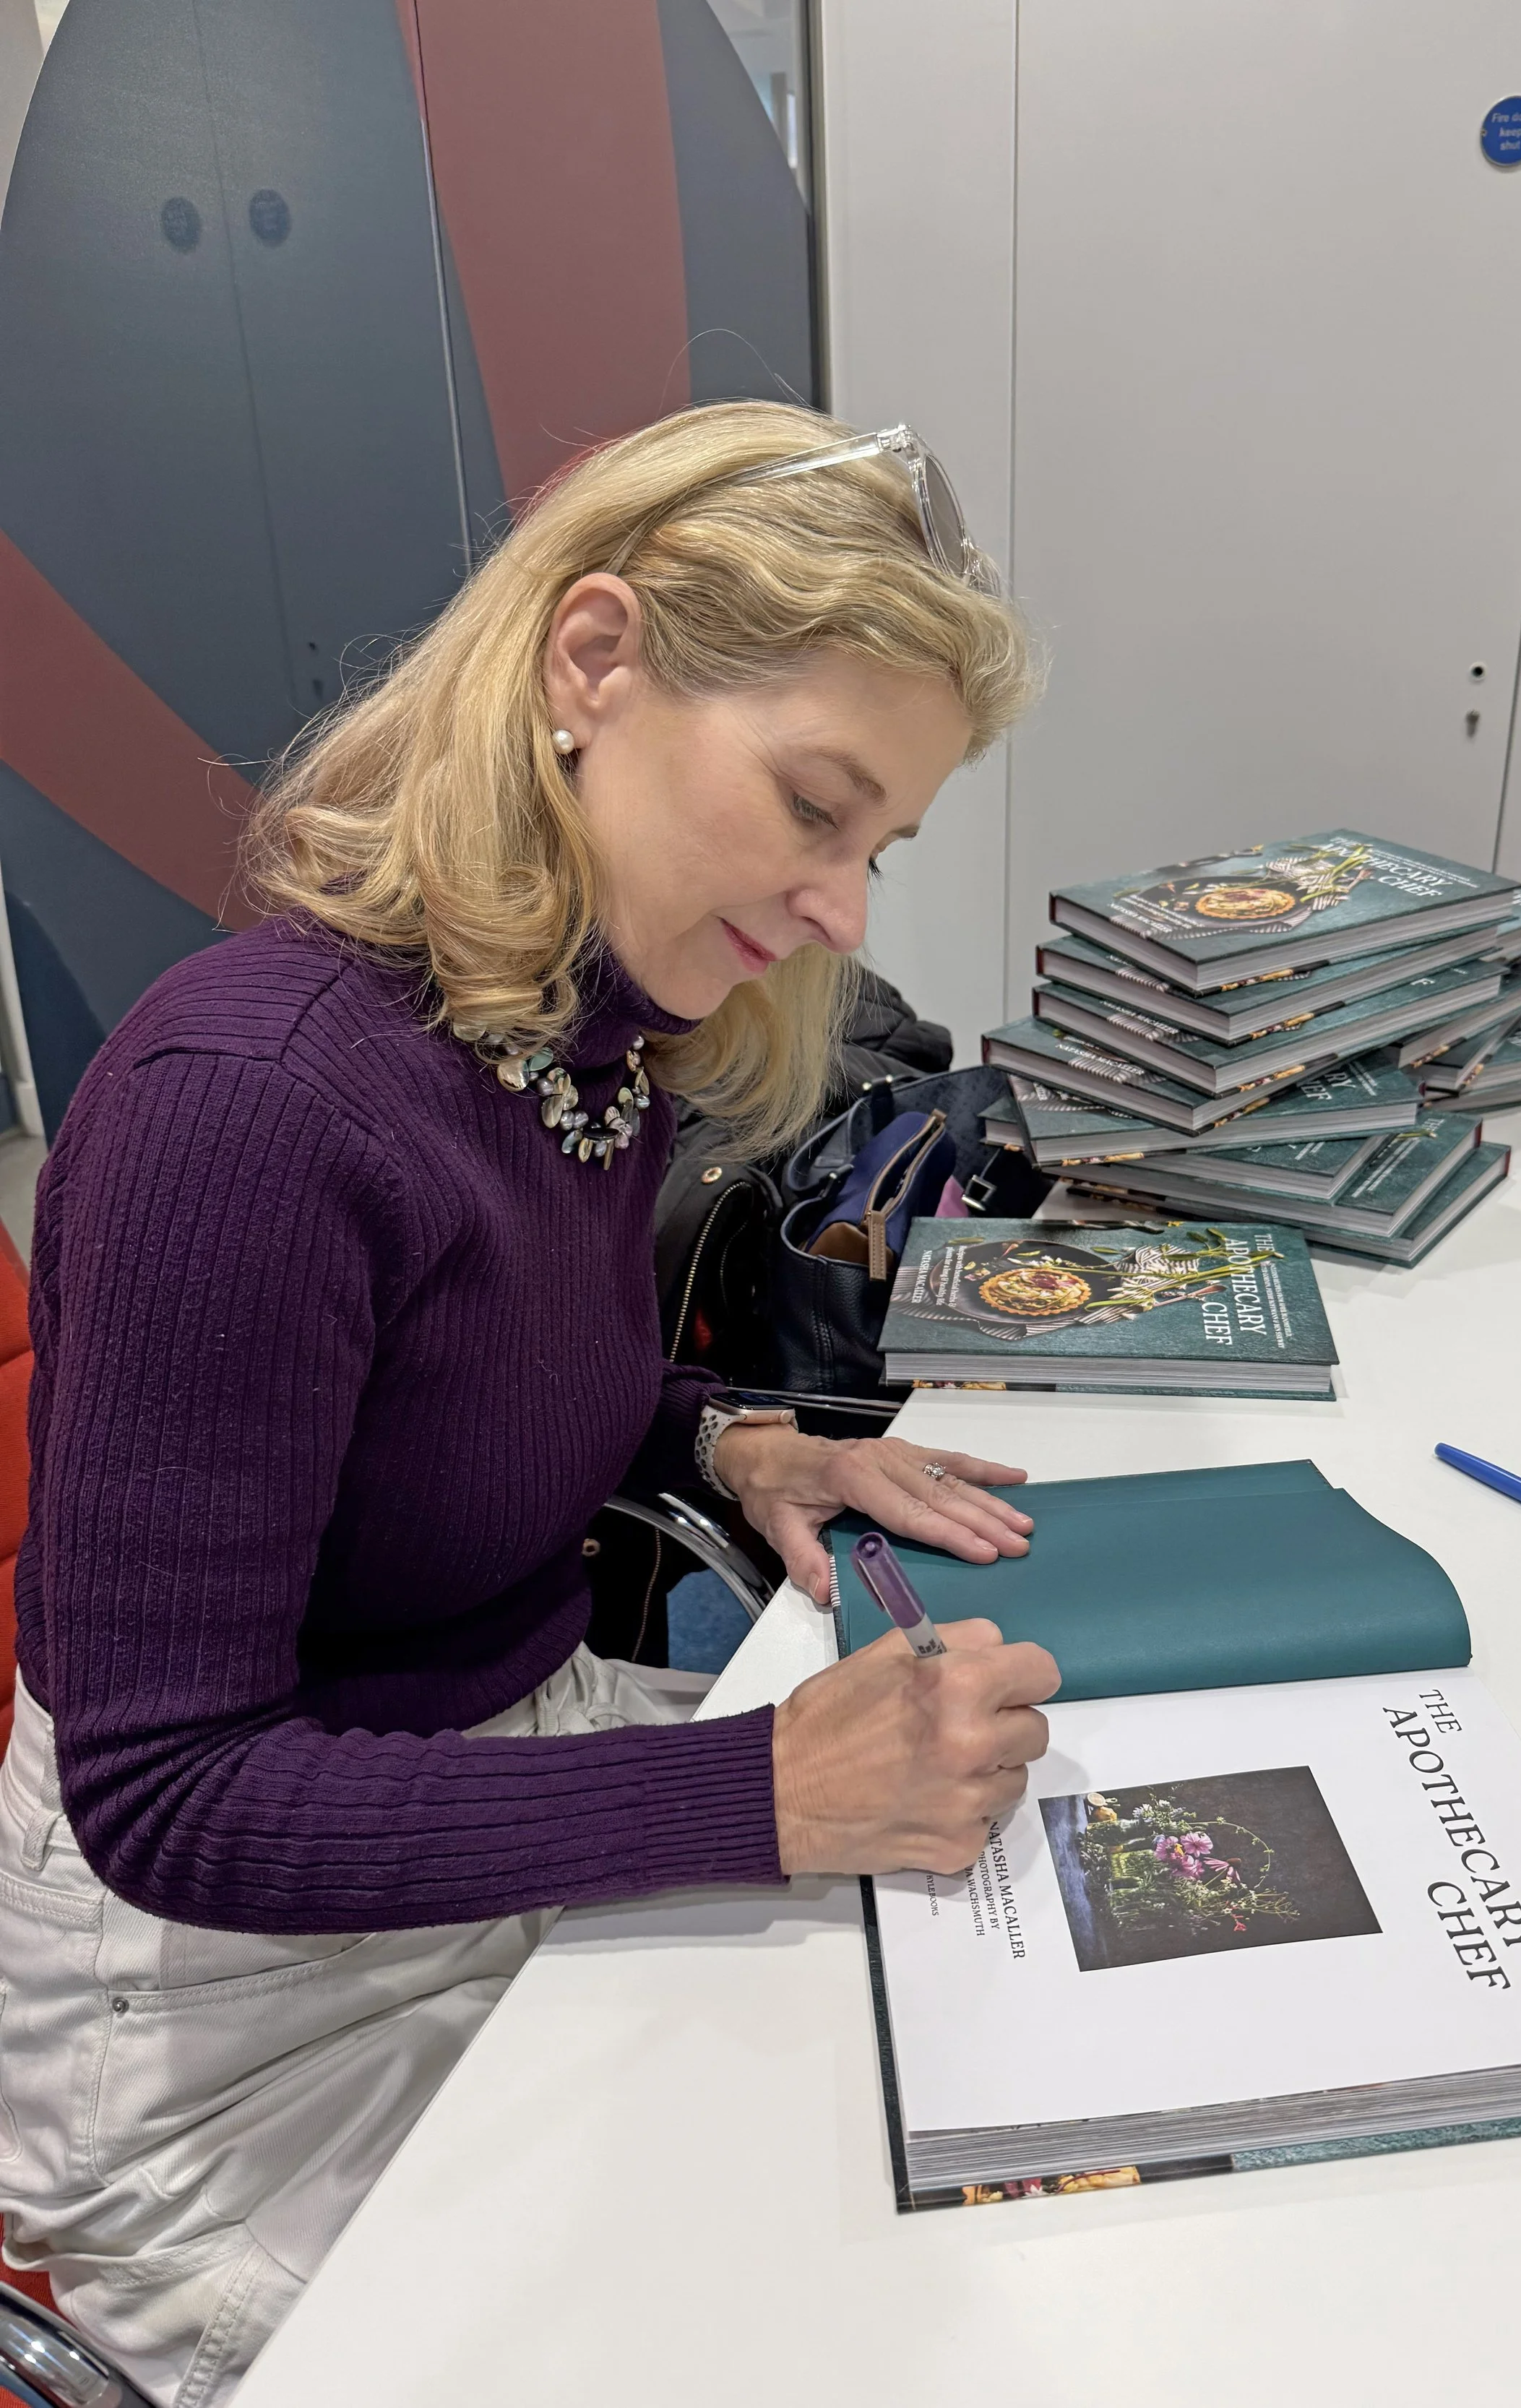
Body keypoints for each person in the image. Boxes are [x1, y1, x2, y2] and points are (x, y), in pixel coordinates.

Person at [0, 402, 1061, 2406]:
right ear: (594, 664)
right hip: (220, 2019)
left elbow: (463, 1382)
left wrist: (720, 1437)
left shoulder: (599, 1027)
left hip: (499, 1789)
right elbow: (168, 1795)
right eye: (814, 805)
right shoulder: (245, 1108)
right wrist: (751, 1794)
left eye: (879, 844)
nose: (846, 906)